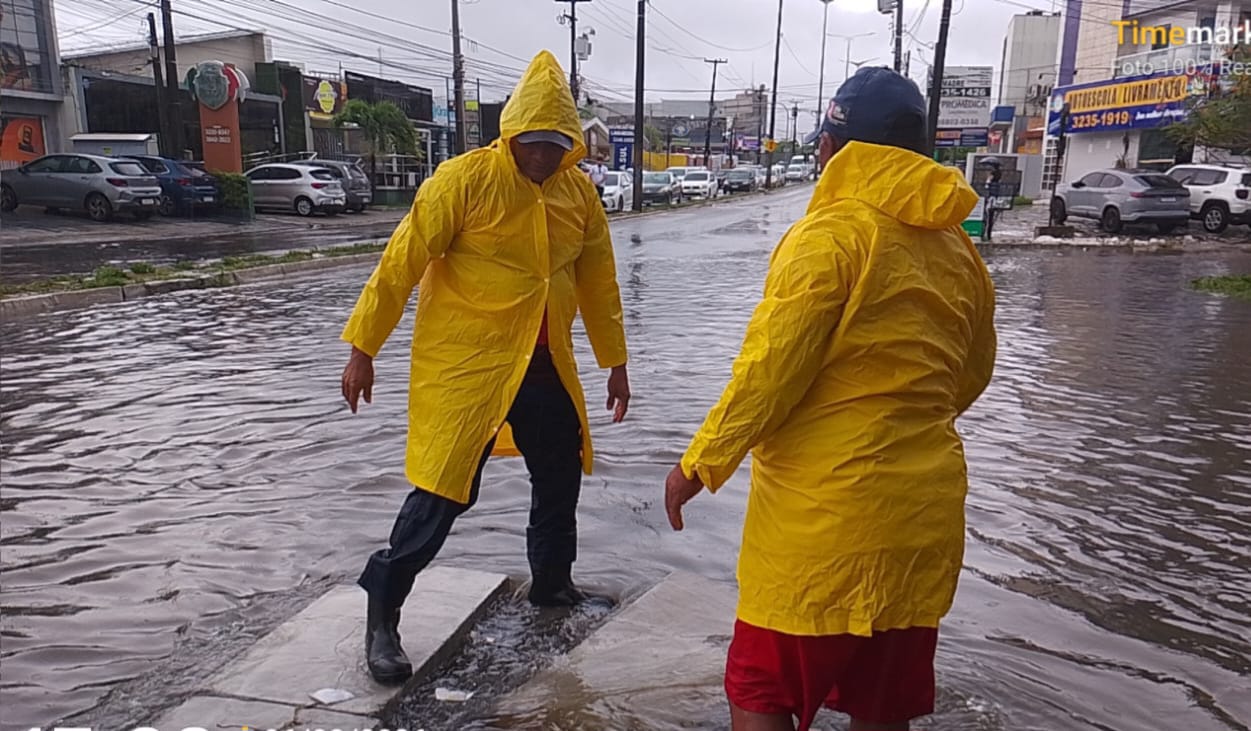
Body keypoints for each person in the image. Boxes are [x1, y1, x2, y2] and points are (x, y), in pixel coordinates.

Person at [663, 66, 997, 731]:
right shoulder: (959, 250)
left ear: (835, 148)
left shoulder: (831, 235)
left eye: (822, 142)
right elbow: (972, 372)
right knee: (882, 702)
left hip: (822, 525)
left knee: (759, 690)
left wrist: (698, 463)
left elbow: (768, 371)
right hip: (920, 522)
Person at [340, 50, 631, 685]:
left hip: (545, 361)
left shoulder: (578, 194)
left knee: (559, 473)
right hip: (468, 364)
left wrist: (616, 363)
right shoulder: (463, 181)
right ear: (512, 133)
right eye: (534, 142)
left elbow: (600, 282)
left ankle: (552, 586)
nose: (544, 155)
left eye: (558, 144)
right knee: (443, 491)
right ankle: (383, 610)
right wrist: (363, 349)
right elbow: (402, 261)